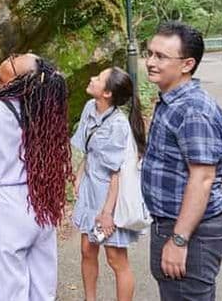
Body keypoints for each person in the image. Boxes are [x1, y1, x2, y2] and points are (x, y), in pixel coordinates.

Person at [0, 53, 73, 301]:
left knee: (7, 295)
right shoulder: (43, 113)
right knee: (42, 294)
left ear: (20, 80)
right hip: (40, 205)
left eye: (16, 59)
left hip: (3, 211)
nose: (11, 57)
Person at [142, 21, 222, 300]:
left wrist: (179, 240)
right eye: (150, 53)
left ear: (187, 64)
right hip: (172, 223)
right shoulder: (172, 101)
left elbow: (203, 178)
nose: (150, 62)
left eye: (161, 56)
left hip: (191, 231)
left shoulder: (192, 109)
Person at [71, 66, 147, 301]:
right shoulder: (89, 109)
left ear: (107, 93)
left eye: (99, 78)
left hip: (110, 197)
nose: (92, 78)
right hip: (90, 192)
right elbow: (87, 148)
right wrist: (80, 174)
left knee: (115, 258)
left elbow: (117, 172)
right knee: (87, 250)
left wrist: (107, 213)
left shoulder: (118, 124)